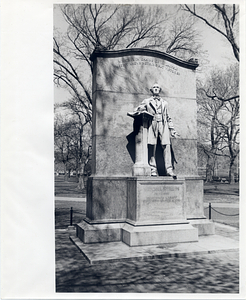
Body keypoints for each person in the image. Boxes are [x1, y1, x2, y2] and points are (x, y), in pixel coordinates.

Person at [134, 83, 178, 178]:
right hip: (152, 124)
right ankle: (152, 169)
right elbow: (138, 109)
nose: (156, 89)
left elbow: (168, 117)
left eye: (157, 87)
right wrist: (140, 109)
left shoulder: (164, 103)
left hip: (163, 124)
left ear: (160, 89)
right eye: (154, 87)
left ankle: (169, 170)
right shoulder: (147, 101)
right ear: (151, 90)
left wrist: (172, 129)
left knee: (166, 146)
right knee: (151, 146)